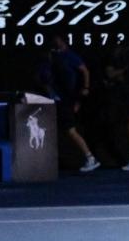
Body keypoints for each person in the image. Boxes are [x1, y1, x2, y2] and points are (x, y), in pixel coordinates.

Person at [41, 35, 101, 172]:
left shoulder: (70, 56)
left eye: (59, 41)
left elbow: (85, 71)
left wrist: (84, 89)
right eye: (55, 42)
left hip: (66, 99)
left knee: (70, 130)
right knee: (54, 130)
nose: (57, 43)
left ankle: (90, 158)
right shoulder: (51, 58)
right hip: (54, 100)